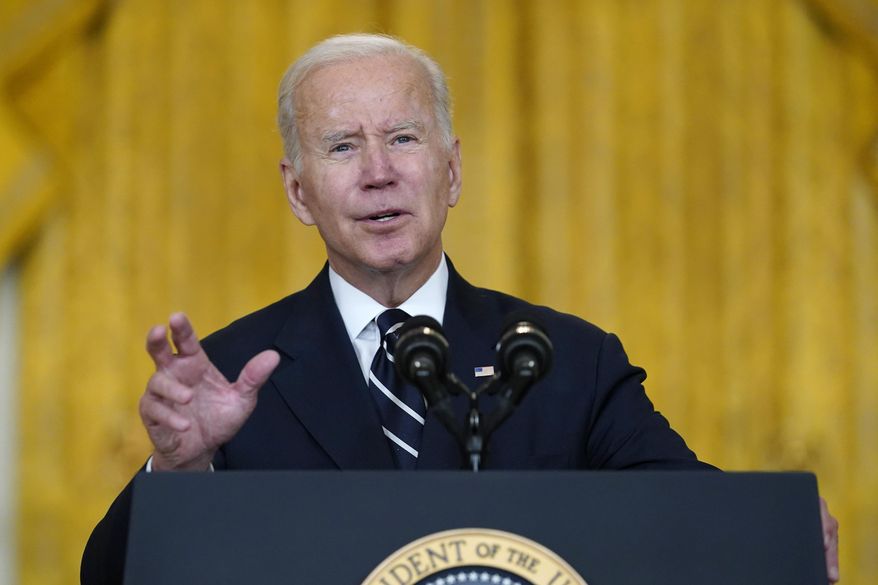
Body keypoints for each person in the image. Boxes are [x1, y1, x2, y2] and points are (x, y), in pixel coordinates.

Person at [81, 33, 840, 584]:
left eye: (403, 138)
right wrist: (180, 471)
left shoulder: (565, 360)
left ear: (452, 170)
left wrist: (778, 533)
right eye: (343, 146)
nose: (379, 173)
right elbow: (111, 577)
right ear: (297, 190)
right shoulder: (231, 378)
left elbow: (687, 510)